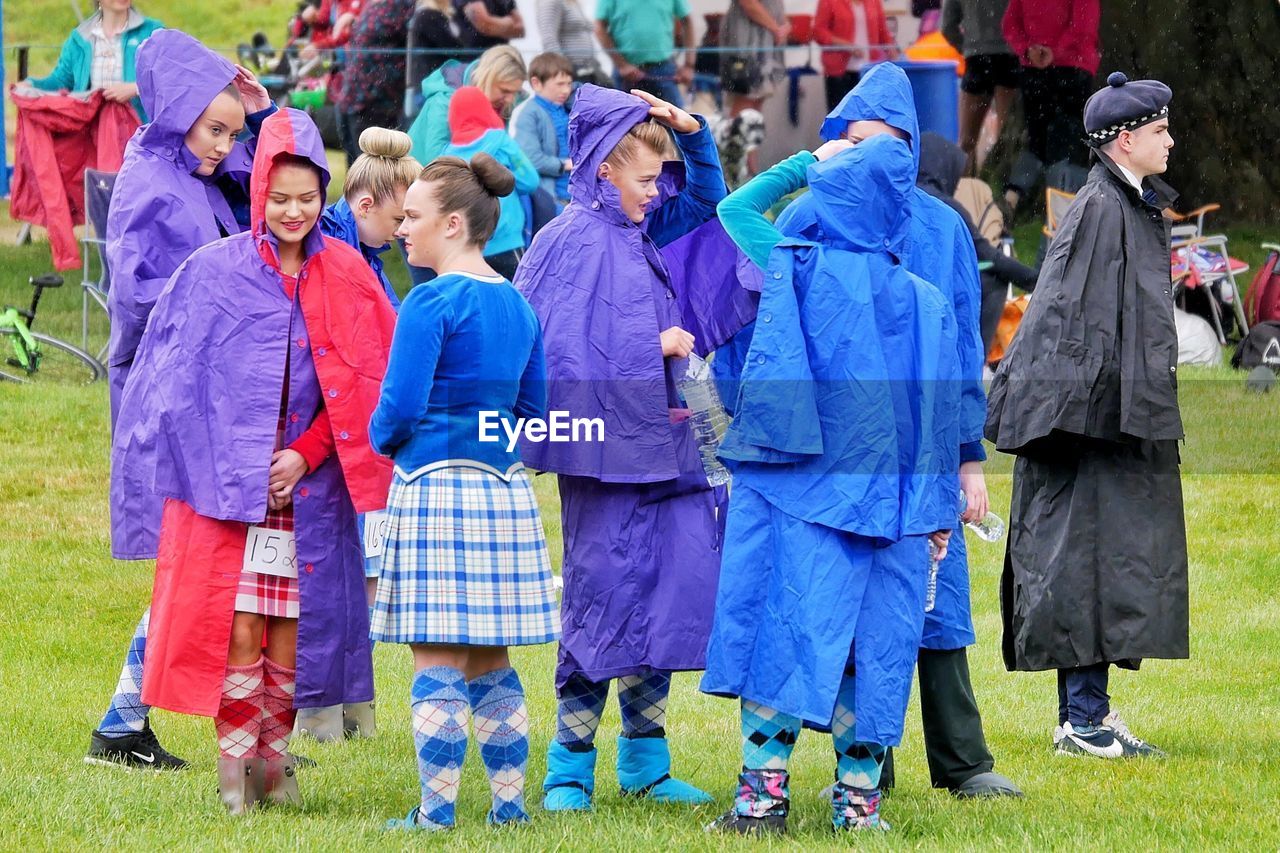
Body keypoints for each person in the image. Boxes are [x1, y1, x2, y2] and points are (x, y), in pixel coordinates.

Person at [110, 108, 396, 814]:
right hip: (230, 495)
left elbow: (366, 388)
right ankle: (235, 767)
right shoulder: (214, 274)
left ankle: (275, 761)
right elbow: (177, 384)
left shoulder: (352, 275)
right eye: (279, 197)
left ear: (323, 196)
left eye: (307, 198)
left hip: (309, 493)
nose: (293, 211)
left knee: (295, 631)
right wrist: (227, 461)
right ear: (259, 190)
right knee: (235, 628)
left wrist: (305, 454)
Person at [767, 62, 1017, 801]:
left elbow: (965, 354)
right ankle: (868, 768)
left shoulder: (942, 227)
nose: (873, 155)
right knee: (847, 601)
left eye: (885, 140)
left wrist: (969, 460)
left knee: (933, 602)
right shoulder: (806, 217)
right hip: (839, 452)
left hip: (923, 448)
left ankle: (962, 757)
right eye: (857, 140)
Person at [701, 134, 961, 834]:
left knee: (779, 634)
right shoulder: (926, 298)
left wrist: (806, 162)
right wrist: (938, 513)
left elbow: (737, 207)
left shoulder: (799, 267)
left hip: (798, 496)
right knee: (873, 649)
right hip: (895, 506)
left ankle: (761, 801)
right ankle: (858, 804)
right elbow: (940, 413)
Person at [514, 84, 728, 811]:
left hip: (669, 446)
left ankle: (645, 759)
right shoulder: (563, 243)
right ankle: (568, 766)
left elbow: (704, 204)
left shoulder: (642, 228)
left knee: (667, 597)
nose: (652, 193)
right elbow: (556, 356)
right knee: (600, 600)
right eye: (643, 179)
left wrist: (691, 135)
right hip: (605, 459)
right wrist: (652, 343)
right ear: (605, 167)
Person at [985, 72, 1187, 759]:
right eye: (1160, 130)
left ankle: (1090, 713)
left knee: (1109, 563)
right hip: (1085, 425)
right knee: (1082, 565)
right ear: (1125, 140)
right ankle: (1083, 722)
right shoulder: (1102, 208)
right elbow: (1065, 320)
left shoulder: (1127, 202)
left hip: (1111, 420)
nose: (1171, 140)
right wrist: (1070, 420)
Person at [88, 28, 273, 772]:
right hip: (176, 396)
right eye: (215, 128)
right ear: (174, 113)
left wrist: (248, 117)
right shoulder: (151, 182)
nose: (225, 144)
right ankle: (122, 721)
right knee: (200, 562)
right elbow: (143, 298)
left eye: (231, 130)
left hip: (213, 389)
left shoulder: (197, 173)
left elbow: (263, 202)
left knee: (223, 565)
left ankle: (243, 728)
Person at [371, 153, 560, 832]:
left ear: (453, 224)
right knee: (491, 657)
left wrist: (385, 442)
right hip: (503, 490)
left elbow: (398, 408)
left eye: (414, 216)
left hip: (432, 484)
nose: (402, 228)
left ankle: (436, 811)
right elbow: (534, 407)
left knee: (436, 652)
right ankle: (511, 807)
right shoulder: (518, 303)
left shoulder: (429, 299)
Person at [290, 126, 422, 743]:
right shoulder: (336, 256)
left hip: (348, 437)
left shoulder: (364, 254)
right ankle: (319, 715)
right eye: (402, 215)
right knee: (327, 575)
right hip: (323, 437)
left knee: (351, 574)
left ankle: (347, 711)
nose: (406, 230)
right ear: (366, 205)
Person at [918, 132, 1038, 360]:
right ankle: (975, 358)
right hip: (938, 291)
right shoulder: (947, 208)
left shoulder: (900, 196)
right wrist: (1036, 279)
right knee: (992, 279)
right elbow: (987, 255)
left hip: (910, 289)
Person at [1000, 0, 1099, 210]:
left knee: (1036, 141)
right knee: (1068, 144)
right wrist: (1055, 50)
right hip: (1073, 69)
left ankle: (1012, 197)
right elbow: (1084, 25)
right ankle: (1061, 209)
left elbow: (1010, 24)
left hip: (1034, 71)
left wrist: (1029, 49)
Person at [441, 87, 540, 279]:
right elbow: (530, 181)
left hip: (469, 247)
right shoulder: (501, 142)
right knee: (520, 299)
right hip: (507, 242)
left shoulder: (447, 154)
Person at [26, 0, 163, 121]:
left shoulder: (153, 32)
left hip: (140, 140)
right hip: (91, 140)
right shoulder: (79, 38)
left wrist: (135, 88)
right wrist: (31, 85)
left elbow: (173, 78)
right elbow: (61, 82)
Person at [408, 44, 526, 165]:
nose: (510, 99)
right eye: (505, 91)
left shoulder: (497, 101)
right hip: (415, 177)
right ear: (487, 78)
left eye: (515, 92)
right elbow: (436, 162)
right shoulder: (445, 99)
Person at [940, 0, 1019, 172]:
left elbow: (947, 27)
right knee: (1007, 138)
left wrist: (967, 48)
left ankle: (964, 188)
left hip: (977, 59)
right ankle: (1003, 189)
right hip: (1009, 58)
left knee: (967, 140)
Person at [595, 0, 695, 107]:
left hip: (664, 69)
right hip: (626, 74)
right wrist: (622, 65)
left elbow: (687, 20)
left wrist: (689, 65)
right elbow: (599, 27)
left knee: (677, 120)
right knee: (623, 121)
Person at [511, 52, 574, 207]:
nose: (566, 90)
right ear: (536, 83)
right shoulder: (528, 113)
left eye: (569, 84)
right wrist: (567, 165)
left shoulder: (569, 108)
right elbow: (530, 158)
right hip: (549, 198)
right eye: (560, 84)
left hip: (575, 195)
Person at [813, 0, 896, 111]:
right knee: (840, 117)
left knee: (868, 117)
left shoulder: (874, 2)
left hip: (868, 71)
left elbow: (883, 32)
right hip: (838, 71)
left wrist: (893, 53)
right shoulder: (829, 2)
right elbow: (819, 32)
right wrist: (844, 44)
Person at [718, 0, 788, 121]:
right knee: (745, 98)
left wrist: (783, 26)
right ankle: (736, 138)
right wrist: (776, 28)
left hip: (765, 44)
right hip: (746, 45)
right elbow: (748, 3)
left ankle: (749, 136)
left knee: (757, 100)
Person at [537, 0, 605, 83]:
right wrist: (563, 71)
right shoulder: (550, 2)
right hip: (573, 72)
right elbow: (548, 39)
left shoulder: (570, 2)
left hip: (587, 68)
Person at [454, 0, 524, 52]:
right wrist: (509, 23)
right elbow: (485, 25)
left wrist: (494, 25)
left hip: (502, 56)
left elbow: (520, 30)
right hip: (474, 60)